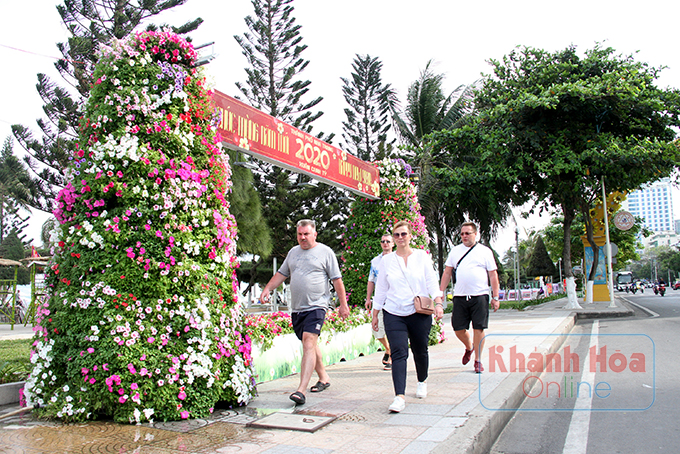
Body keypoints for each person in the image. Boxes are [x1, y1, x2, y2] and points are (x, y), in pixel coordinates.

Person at [260, 219, 350, 405]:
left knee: (309, 341)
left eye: (306, 234)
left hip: (317, 306)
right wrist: (267, 289)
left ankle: (301, 390)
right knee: (310, 343)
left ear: (314, 234)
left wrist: (343, 304)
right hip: (298, 309)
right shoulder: (293, 252)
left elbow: (337, 280)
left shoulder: (325, 252)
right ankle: (323, 377)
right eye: (299, 234)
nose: (302, 238)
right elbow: (281, 274)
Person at [373, 221, 443, 413]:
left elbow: (431, 281)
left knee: (420, 349)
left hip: (418, 312)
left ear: (410, 235)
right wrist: (375, 313)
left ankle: (422, 380)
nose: (400, 238)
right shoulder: (386, 261)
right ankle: (399, 396)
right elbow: (381, 289)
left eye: (403, 234)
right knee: (398, 352)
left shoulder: (421, 256)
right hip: (393, 311)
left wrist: (438, 303)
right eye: (396, 235)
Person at [439, 222, 500, 374]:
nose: (464, 236)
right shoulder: (455, 251)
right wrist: (440, 292)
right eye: (462, 234)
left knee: (478, 328)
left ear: (475, 234)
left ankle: (478, 360)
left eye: (468, 233)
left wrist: (496, 296)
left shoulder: (485, 251)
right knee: (458, 328)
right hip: (460, 296)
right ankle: (469, 347)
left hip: (480, 295)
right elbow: (447, 272)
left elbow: (493, 274)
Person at [366, 234, 394, 370]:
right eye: (383, 241)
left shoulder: (397, 259)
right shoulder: (375, 261)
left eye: (388, 241)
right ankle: (388, 349)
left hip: (394, 300)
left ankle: (392, 357)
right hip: (380, 300)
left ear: (393, 243)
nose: (385, 243)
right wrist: (368, 298)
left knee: (393, 329)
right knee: (376, 330)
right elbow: (371, 280)